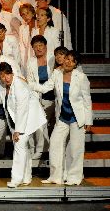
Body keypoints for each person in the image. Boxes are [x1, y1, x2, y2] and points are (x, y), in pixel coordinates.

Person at [36, 50, 91, 185]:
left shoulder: (81, 77)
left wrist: (88, 120)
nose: (68, 62)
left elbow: (87, 100)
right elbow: (45, 88)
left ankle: (74, 177)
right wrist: (28, 84)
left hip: (77, 118)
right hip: (62, 116)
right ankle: (55, 176)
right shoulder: (57, 73)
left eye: (72, 61)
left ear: (75, 64)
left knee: (75, 149)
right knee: (54, 144)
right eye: (67, 59)